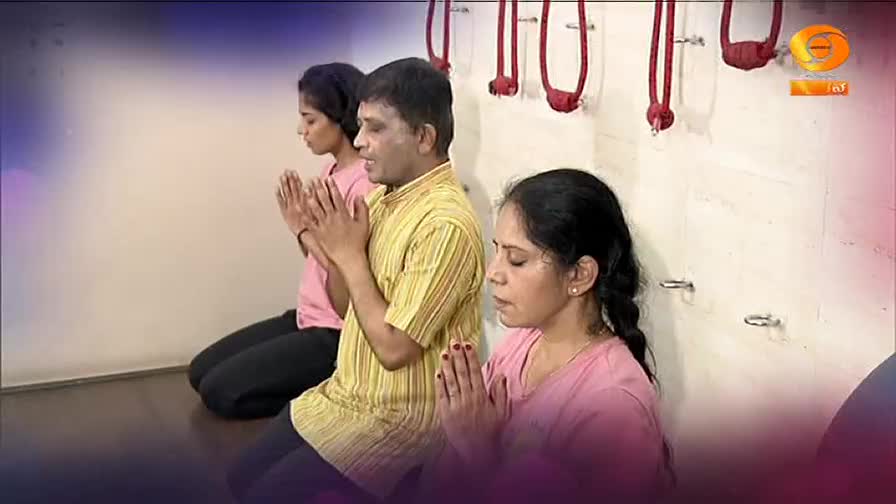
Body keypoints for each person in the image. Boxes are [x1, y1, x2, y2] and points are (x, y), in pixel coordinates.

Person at [227, 57, 486, 503]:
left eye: (376, 129)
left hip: (399, 421)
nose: (360, 142)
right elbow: (349, 309)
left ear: (424, 137)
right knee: (241, 479)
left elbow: (393, 349)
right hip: (345, 395)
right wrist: (331, 249)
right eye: (360, 126)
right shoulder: (384, 199)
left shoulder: (445, 223)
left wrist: (346, 255)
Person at [420, 168, 672, 504]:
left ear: (580, 275)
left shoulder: (614, 406)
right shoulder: (526, 341)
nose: (493, 273)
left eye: (517, 260)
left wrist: (480, 450)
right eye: (497, 252)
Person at [188, 62, 375, 419]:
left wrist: (303, 230)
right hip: (307, 316)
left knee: (221, 393)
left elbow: (346, 272)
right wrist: (302, 229)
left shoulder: (365, 184)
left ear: (340, 117)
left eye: (310, 120)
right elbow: (320, 255)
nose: (301, 131)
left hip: (336, 332)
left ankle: (336, 393)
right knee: (200, 372)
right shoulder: (331, 171)